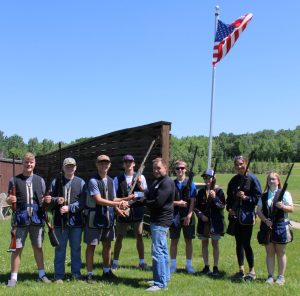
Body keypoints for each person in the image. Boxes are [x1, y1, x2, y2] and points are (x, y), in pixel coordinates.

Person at [127, 157, 175, 292]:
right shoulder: (156, 182)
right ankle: (163, 278)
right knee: (163, 251)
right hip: (157, 221)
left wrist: (143, 200)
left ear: (166, 168)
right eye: (154, 168)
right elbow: (146, 194)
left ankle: (160, 284)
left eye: (159, 168)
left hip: (161, 221)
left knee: (158, 252)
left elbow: (157, 202)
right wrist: (132, 199)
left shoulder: (167, 182)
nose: (156, 171)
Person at [6, 152, 51, 287]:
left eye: (31, 162)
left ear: (34, 163)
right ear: (22, 164)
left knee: (38, 247)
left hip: (37, 218)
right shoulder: (14, 180)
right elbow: (9, 198)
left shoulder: (40, 180)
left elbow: (43, 200)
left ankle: (41, 274)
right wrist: (9, 200)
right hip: (20, 219)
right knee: (17, 249)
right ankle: (13, 278)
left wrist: (47, 201)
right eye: (26, 162)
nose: (29, 164)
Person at [84, 154, 127, 283]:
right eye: (101, 162)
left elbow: (112, 198)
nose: (104, 165)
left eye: (106, 162)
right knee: (91, 246)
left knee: (107, 245)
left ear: (110, 165)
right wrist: (118, 204)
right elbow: (98, 200)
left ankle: (106, 271)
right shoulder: (93, 181)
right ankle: (90, 274)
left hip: (108, 218)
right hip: (94, 218)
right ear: (97, 165)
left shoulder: (110, 180)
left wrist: (126, 200)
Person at [49, 157, 87, 283]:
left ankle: (76, 274)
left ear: (75, 167)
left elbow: (83, 202)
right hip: (60, 223)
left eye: (72, 166)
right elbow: (48, 199)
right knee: (60, 249)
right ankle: (59, 275)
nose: (70, 168)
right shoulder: (56, 182)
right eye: (67, 166)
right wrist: (56, 200)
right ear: (63, 168)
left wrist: (69, 208)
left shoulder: (81, 182)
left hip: (76, 222)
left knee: (76, 248)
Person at [226, 155, 262, 281]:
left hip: (247, 217)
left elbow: (258, 197)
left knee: (246, 243)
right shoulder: (234, 180)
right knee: (238, 243)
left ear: (246, 164)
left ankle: (252, 270)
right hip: (235, 217)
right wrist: (229, 209)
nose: (239, 166)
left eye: (241, 164)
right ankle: (241, 269)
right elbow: (229, 198)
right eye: (237, 164)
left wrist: (246, 197)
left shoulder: (252, 179)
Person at [112, 154, 149, 270]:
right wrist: (117, 208)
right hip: (122, 210)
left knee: (139, 235)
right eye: (126, 161)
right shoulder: (117, 179)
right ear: (124, 164)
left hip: (137, 209)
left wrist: (136, 191)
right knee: (120, 236)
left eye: (130, 161)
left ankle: (142, 262)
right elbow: (113, 197)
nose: (128, 163)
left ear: (134, 163)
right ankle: (115, 262)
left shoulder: (140, 178)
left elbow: (145, 194)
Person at [256, 171, 294, 285]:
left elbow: (291, 208)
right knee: (270, 252)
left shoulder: (284, 193)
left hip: (281, 225)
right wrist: (265, 220)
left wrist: (282, 206)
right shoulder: (264, 196)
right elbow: (258, 210)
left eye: (273, 179)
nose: (271, 181)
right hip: (267, 225)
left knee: (281, 252)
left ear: (278, 181)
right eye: (269, 179)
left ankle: (281, 277)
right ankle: (270, 276)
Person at [195, 169, 225, 276]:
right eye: (205, 178)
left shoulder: (219, 191)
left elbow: (222, 206)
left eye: (209, 178)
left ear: (213, 179)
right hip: (203, 222)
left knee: (215, 244)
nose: (207, 180)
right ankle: (206, 266)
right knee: (204, 243)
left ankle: (215, 267)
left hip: (215, 222)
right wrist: (200, 215)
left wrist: (215, 197)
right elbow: (196, 207)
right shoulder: (201, 192)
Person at [169, 160, 196, 274]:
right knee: (174, 240)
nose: (180, 170)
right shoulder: (171, 184)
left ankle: (188, 265)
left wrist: (189, 216)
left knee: (188, 240)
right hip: (174, 215)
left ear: (186, 170)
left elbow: (193, 200)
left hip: (187, 215)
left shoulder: (191, 183)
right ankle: (173, 265)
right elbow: (167, 201)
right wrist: (178, 203)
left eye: (182, 168)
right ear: (175, 170)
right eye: (178, 168)